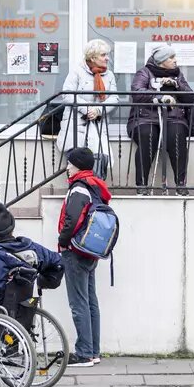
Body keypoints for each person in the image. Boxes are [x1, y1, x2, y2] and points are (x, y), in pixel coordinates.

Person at [57, 147, 111, 367]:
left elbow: (72, 219)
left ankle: (84, 354)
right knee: (90, 302)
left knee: (78, 302)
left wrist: (62, 240)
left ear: (77, 165)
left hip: (76, 251)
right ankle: (93, 351)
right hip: (90, 251)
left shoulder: (79, 188)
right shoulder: (95, 187)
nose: (67, 168)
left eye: (70, 163)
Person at [127, 45, 194, 196]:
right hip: (145, 118)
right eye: (171, 58)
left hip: (173, 118)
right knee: (148, 136)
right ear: (161, 61)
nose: (175, 60)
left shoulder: (178, 75)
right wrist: (159, 96)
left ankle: (180, 184)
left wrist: (177, 85)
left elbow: (190, 97)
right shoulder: (145, 72)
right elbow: (137, 92)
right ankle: (142, 185)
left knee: (177, 136)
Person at [57, 38, 119, 179]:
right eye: (103, 55)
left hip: (97, 127)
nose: (107, 58)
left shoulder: (109, 75)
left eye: (107, 54)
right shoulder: (77, 71)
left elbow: (114, 98)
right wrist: (87, 109)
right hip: (75, 126)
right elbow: (67, 95)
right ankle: (77, 195)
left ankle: (96, 198)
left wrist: (98, 110)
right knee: (76, 169)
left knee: (99, 166)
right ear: (92, 57)